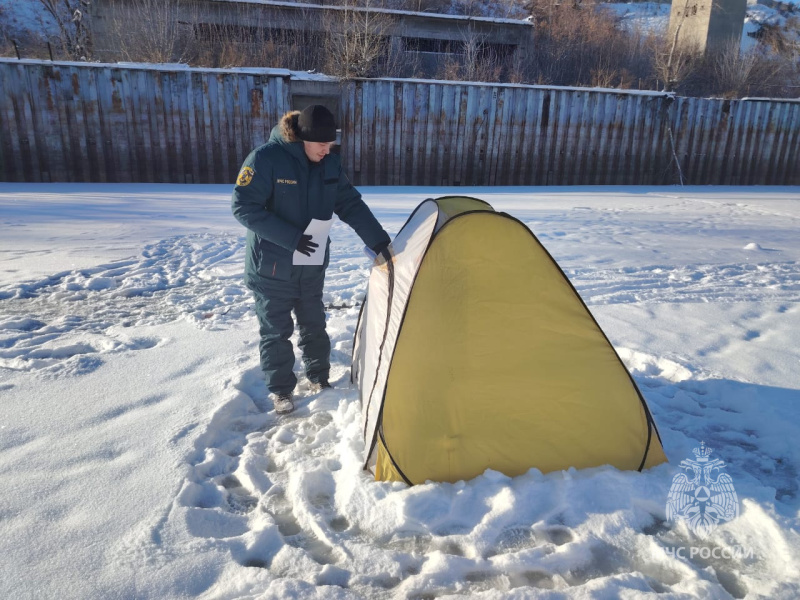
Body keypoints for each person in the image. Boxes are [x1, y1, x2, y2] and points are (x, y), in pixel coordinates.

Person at [232, 104, 391, 415]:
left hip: (311, 264)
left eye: (330, 143)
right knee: (276, 332)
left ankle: (319, 377)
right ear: (302, 138)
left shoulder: (329, 165)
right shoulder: (266, 159)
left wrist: (380, 243)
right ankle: (281, 391)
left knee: (314, 324)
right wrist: (293, 239)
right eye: (320, 143)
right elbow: (244, 207)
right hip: (272, 267)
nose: (326, 149)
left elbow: (351, 205)